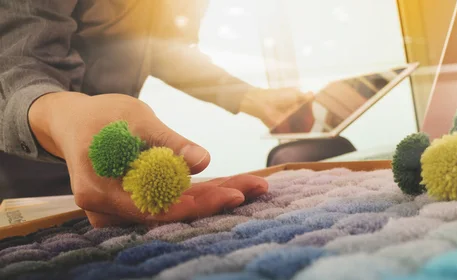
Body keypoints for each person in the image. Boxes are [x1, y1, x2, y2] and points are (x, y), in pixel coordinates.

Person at [0, 0, 311, 227]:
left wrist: (253, 98)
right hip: (30, 165)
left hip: (117, 158)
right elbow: (18, 65)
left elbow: (165, 50)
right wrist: (61, 117)